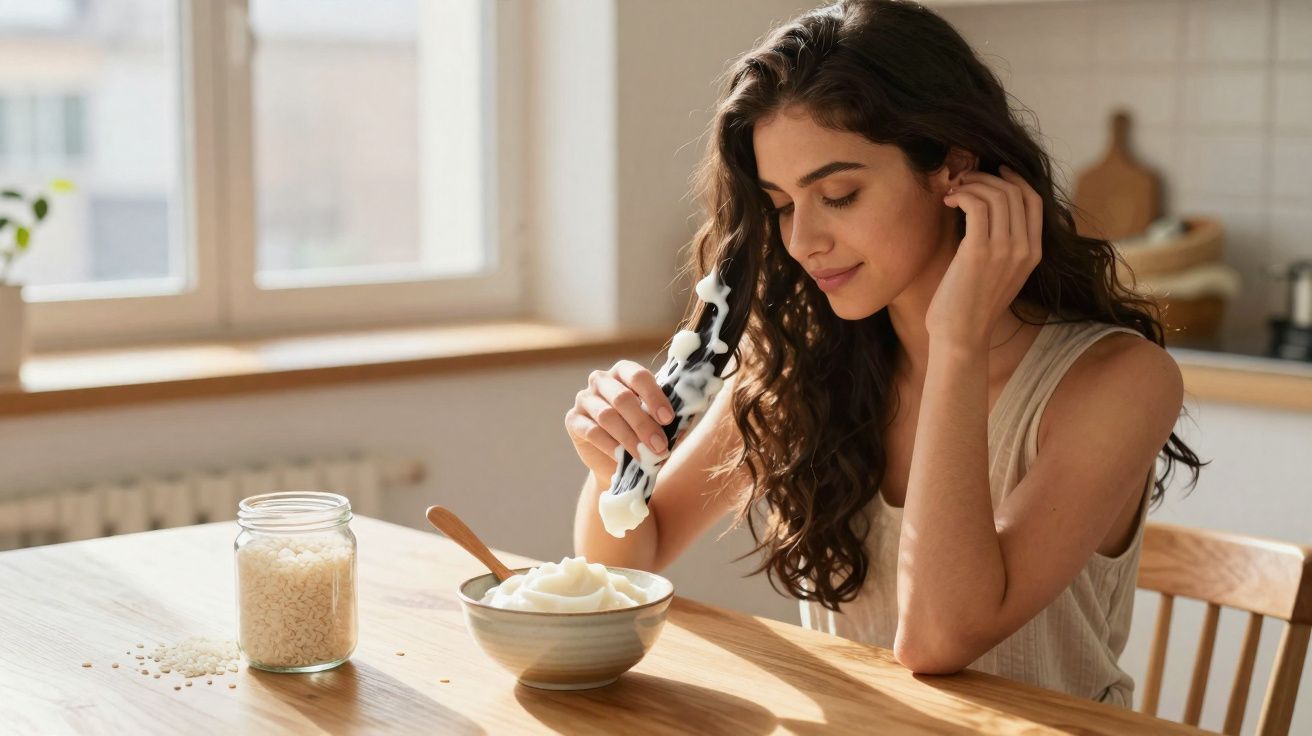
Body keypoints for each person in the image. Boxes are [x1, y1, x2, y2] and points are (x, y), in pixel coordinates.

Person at [566, 0, 1204, 707]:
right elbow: (624, 563)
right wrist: (613, 467)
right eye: (781, 205)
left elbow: (937, 639)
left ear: (953, 167)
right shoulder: (803, 366)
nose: (803, 240)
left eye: (838, 194)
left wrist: (958, 341)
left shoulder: (1118, 382)